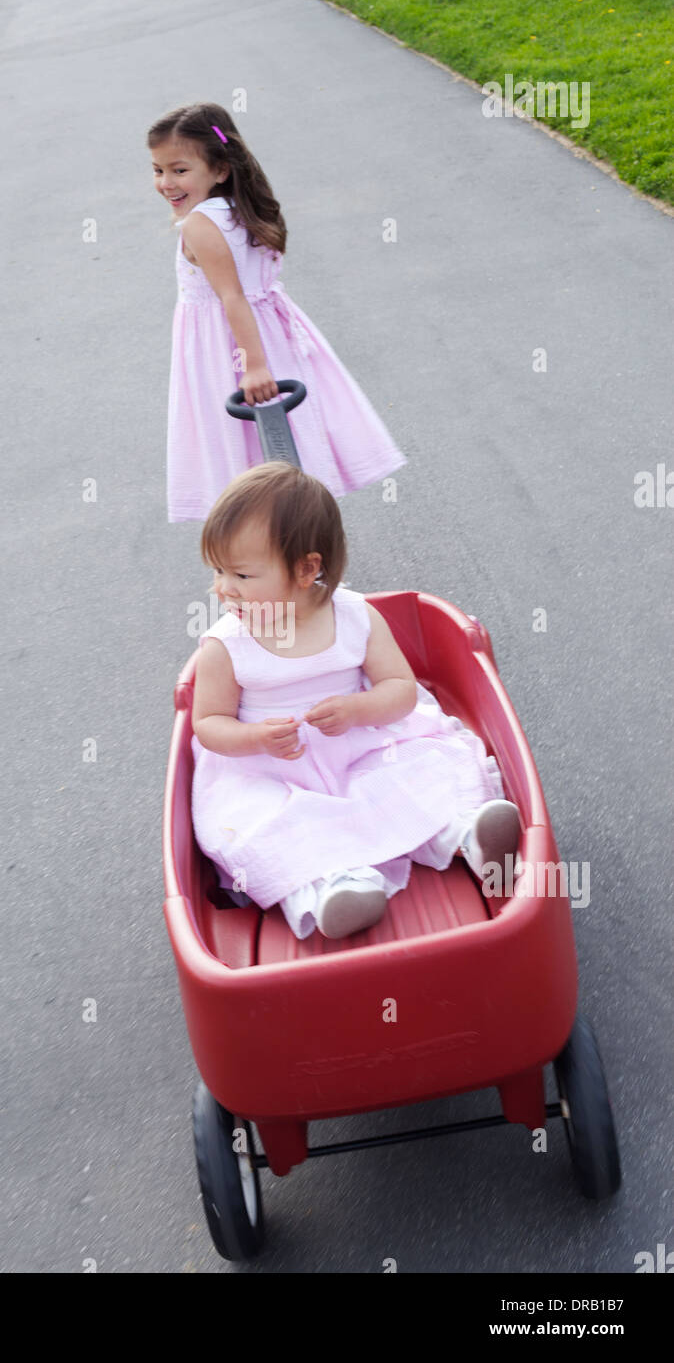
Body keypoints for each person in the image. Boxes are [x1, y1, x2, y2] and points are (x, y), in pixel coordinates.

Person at [190, 462, 521, 941]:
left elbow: (401, 690)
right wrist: (255, 737)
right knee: (263, 824)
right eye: (217, 570)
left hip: (363, 748)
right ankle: (332, 888)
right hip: (271, 771)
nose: (223, 588)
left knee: (414, 771)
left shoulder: (354, 616)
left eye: (241, 574)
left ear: (307, 569)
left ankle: (466, 831)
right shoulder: (226, 645)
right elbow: (208, 723)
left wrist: (357, 710)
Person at [147, 101, 406, 524]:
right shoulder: (240, 210)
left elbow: (231, 297)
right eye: (158, 170)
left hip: (232, 348)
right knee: (286, 447)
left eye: (179, 170)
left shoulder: (199, 224)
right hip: (270, 334)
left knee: (242, 450)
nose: (165, 183)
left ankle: (278, 551)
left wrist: (253, 365)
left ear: (220, 169)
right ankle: (294, 546)